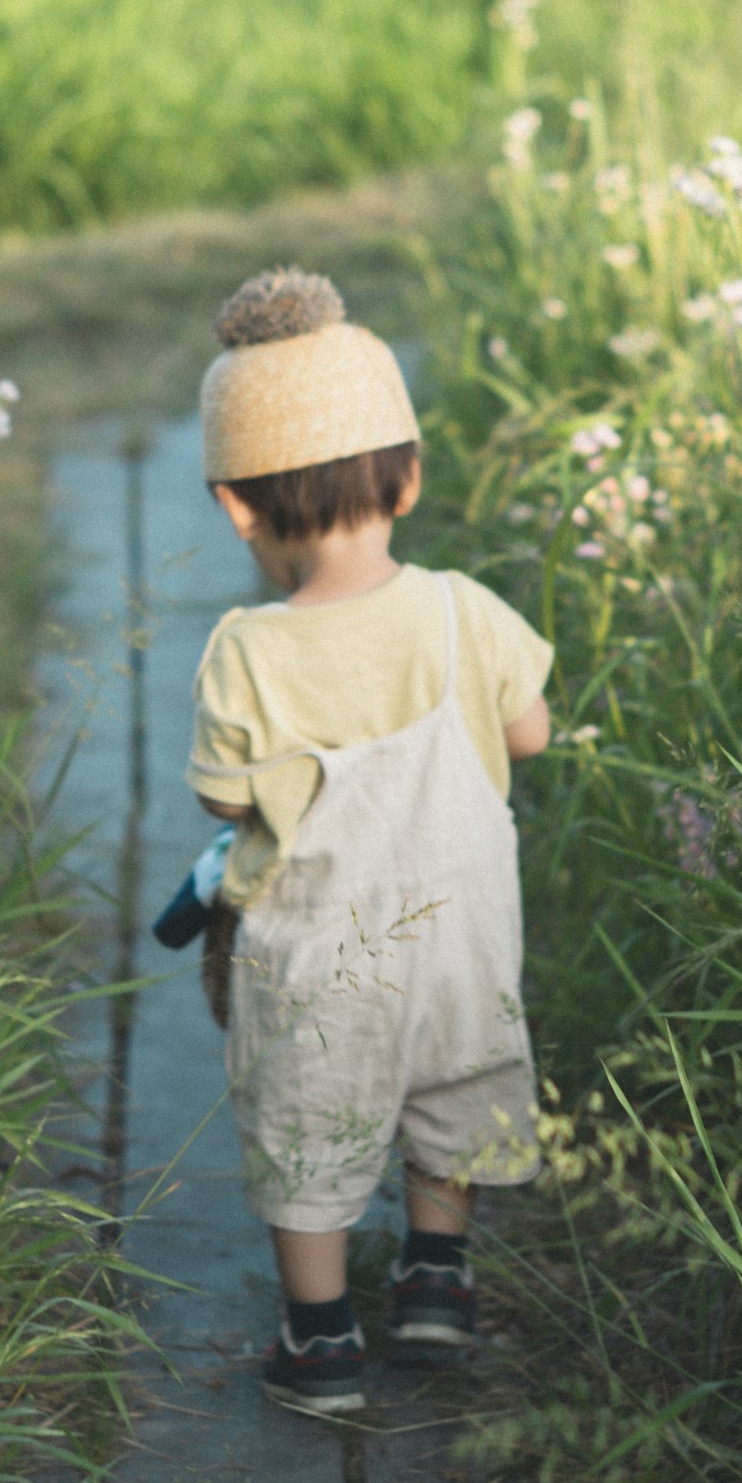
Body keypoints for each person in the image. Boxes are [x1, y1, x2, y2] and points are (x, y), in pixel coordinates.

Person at [184, 266, 552, 1417]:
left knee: (312, 1119)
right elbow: (529, 733)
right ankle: (436, 1279)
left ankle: (321, 1335)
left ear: (236, 505)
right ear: (410, 473)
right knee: (455, 1090)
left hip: (319, 962)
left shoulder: (246, 647)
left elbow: (220, 800)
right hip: (463, 943)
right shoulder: (463, 608)